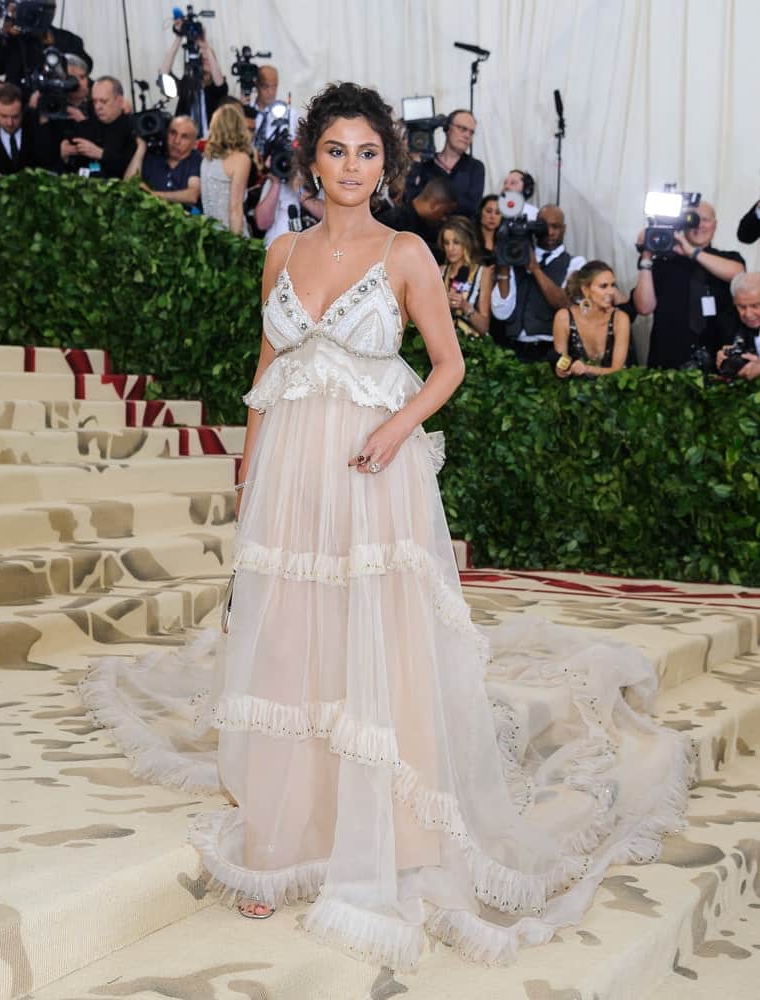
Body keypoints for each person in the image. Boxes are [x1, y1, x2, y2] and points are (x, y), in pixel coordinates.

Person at [80, 81, 689, 972]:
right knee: (292, 643)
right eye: (337, 151)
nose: (352, 167)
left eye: (369, 153)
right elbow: (264, 371)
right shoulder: (279, 250)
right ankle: (284, 839)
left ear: (386, 164)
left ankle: (387, 835)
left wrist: (395, 429)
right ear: (311, 159)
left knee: (374, 644)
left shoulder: (406, 252)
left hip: (372, 475)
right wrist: (250, 481)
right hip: (290, 476)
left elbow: (446, 368)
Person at [633, 200, 745, 370]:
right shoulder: (663, 263)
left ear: (715, 225)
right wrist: (647, 256)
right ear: (682, 225)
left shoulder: (729, 258)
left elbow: (738, 273)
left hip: (719, 358)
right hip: (668, 359)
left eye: (705, 219)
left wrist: (691, 252)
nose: (699, 225)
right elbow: (643, 307)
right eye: (692, 219)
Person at [491, 204, 586, 362]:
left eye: (555, 227)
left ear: (564, 228)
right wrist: (504, 270)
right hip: (513, 350)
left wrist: (535, 269)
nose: (549, 233)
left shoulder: (575, 263)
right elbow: (501, 312)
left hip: (549, 350)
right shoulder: (516, 260)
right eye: (543, 227)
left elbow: (564, 303)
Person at [0, 1, 92, 90]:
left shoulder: (67, 39)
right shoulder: (13, 41)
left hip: (58, 102)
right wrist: (4, 32)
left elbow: (86, 65)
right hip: (20, 107)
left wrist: (63, 63)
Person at [552, 260, 631, 377]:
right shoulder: (564, 317)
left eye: (612, 285)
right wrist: (562, 370)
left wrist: (586, 369)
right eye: (603, 286)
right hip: (575, 391)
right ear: (585, 290)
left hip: (614, 390)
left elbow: (617, 371)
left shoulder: (620, 319)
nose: (611, 291)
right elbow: (560, 364)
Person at [402, 109, 485, 218]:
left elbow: (471, 206)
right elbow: (411, 198)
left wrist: (432, 202)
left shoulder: (476, 167)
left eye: (471, 132)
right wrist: (416, 162)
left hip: (460, 232)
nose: (467, 135)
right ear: (447, 128)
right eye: (462, 129)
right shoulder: (425, 165)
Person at [160, 18, 227, 137]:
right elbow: (164, 75)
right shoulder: (188, 82)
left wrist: (205, 46)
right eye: (201, 56)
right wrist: (178, 37)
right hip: (184, 138)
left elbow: (219, 83)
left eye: (208, 57)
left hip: (210, 139)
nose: (204, 58)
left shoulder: (215, 86)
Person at [60, 76, 135, 179]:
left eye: (103, 101)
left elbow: (131, 168)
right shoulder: (86, 126)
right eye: (95, 101)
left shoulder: (132, 128)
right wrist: (65, 156)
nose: (98, 107)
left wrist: (101, 154)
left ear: (120, 101)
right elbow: (74, 165)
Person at [124, 116, 202, 209]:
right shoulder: (153, 156)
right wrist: (141, 148)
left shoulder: (195, 159)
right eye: (173, 133)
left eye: (184, 137)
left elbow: (192, 195)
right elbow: (128, 184)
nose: (176, 141)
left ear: (194, 144)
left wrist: (152, 194)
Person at [200, 104, 252, 235]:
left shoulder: (206, 160)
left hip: (210, 236)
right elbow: (235, 208)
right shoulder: (241, 159)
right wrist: (236, 248)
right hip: (231, 236)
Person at [438, 214, 493, 336]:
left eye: (456, 242)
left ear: (466, 243)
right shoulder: (439, 271)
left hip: (471, 346)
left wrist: (465, 306)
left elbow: (484, 327)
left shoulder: (483, 273)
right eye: (446, 243)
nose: (450, 248)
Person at [377, 176, 457, 257]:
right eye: (445, 213)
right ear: (434, 205)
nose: (444, 219)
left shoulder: (435, 231)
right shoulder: (391, 223)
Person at [254, 159, 324, 248]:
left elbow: (329, 216)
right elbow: (262, 224)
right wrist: (276, 183)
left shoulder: (320, 178)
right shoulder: (276, 178)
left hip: (312, 253)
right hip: (277, 252)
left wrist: (300, 191)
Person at [0, 81, 40, 175]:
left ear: (22, 111)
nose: (10, 123)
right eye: (4, 116)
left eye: (15, 116)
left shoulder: (36, 130)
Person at [716, 271, 760, 380]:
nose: (748, 314)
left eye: (755, 306)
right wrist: (724, 363)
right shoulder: (728, 322)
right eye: (741, 307)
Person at [250, 65, 299, 157]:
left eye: (274, 86)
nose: (271, 92)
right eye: (266, 87)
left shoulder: (289, 114)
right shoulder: (246, 111)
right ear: (256, 85)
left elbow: (295, 144)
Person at [477, 193, 501, 266]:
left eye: (497, 213)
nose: (492, 216)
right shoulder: (470, 239)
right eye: (488, 211)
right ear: (480, 213)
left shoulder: (504, 241)